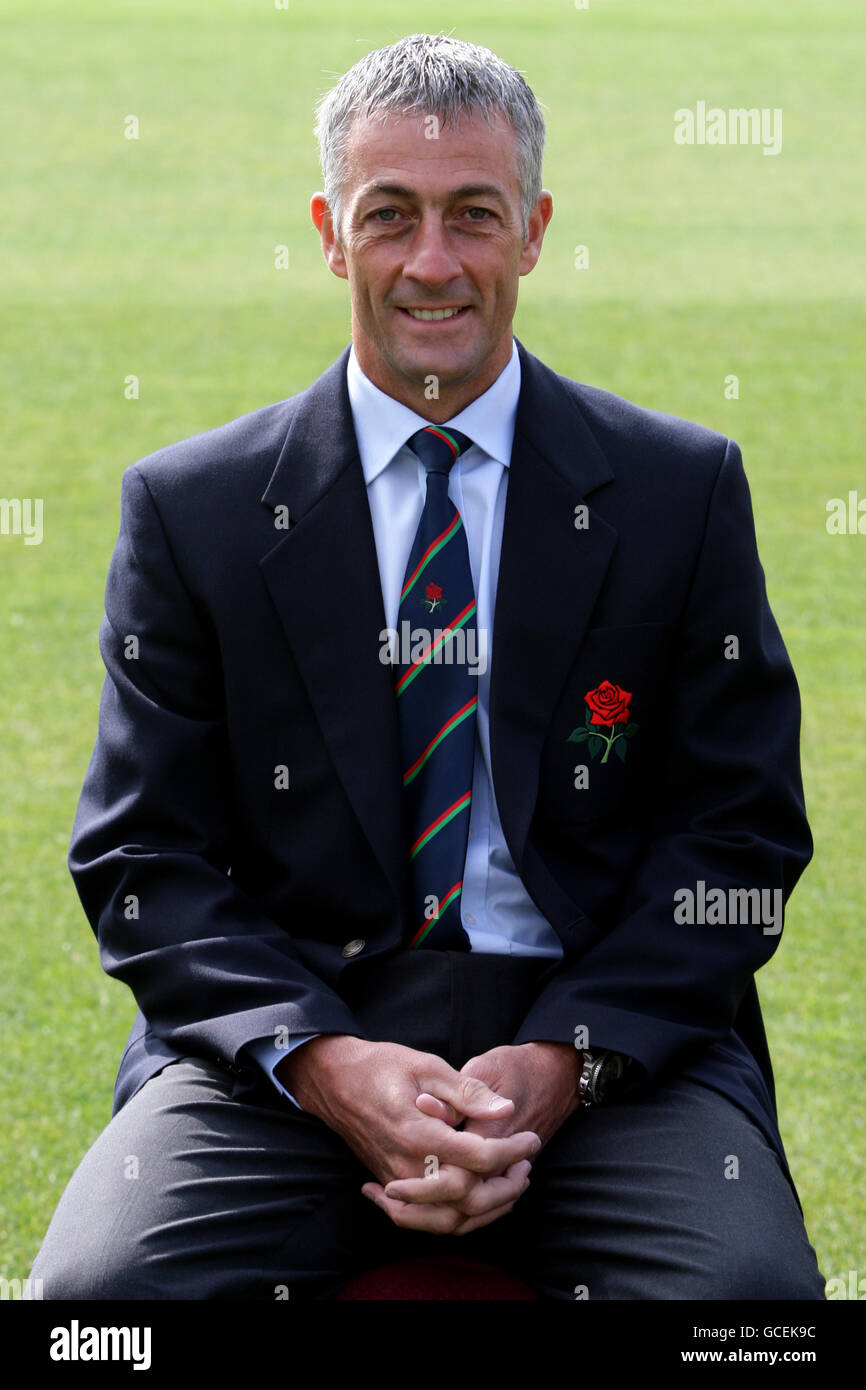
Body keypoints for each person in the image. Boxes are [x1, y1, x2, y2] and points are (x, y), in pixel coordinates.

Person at [29, 32, 825, 1300]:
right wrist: (325, 1058)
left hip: (606, 1045)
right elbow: (143, 861)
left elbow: (736, 841)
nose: (432, 263)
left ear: (536, 228)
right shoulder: (199, 508)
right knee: (95, 1309)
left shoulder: (679, 490)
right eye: (388, 216)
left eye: (474, 215)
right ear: (330, 232)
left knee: (749, 1309)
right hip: (289, 1050)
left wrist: (564, 1057)